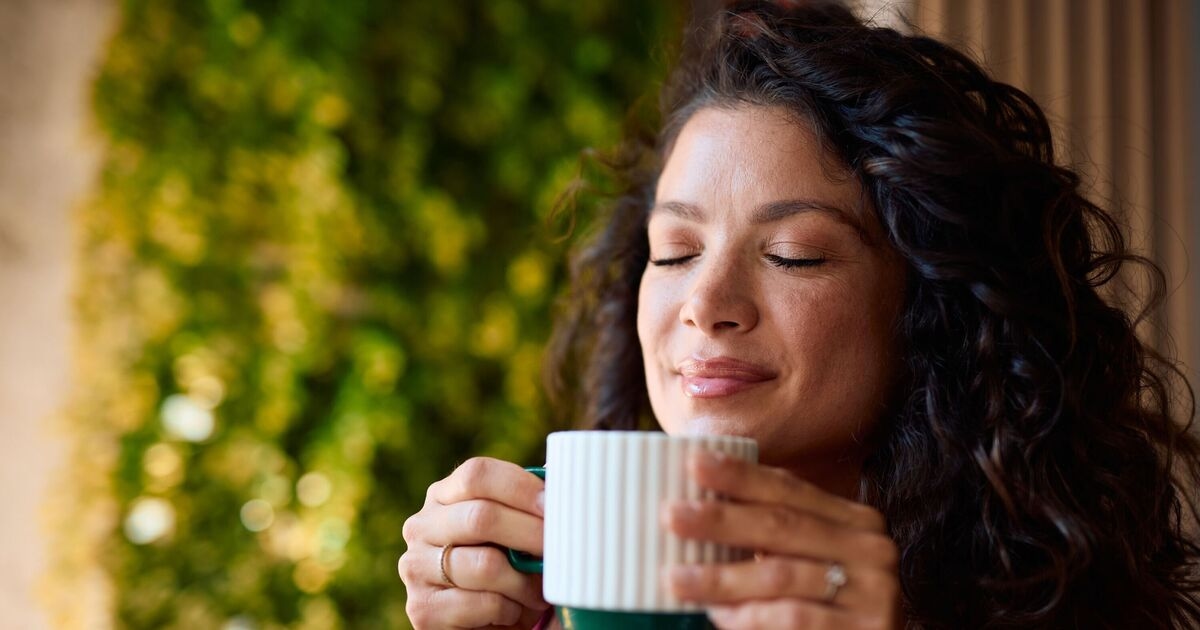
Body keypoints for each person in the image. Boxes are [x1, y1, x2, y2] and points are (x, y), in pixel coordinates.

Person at [398, 1, 1200, 627]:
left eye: (794, 255)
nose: (706, 308)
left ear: (931, 305)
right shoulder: (562, 605)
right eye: (674, 254)